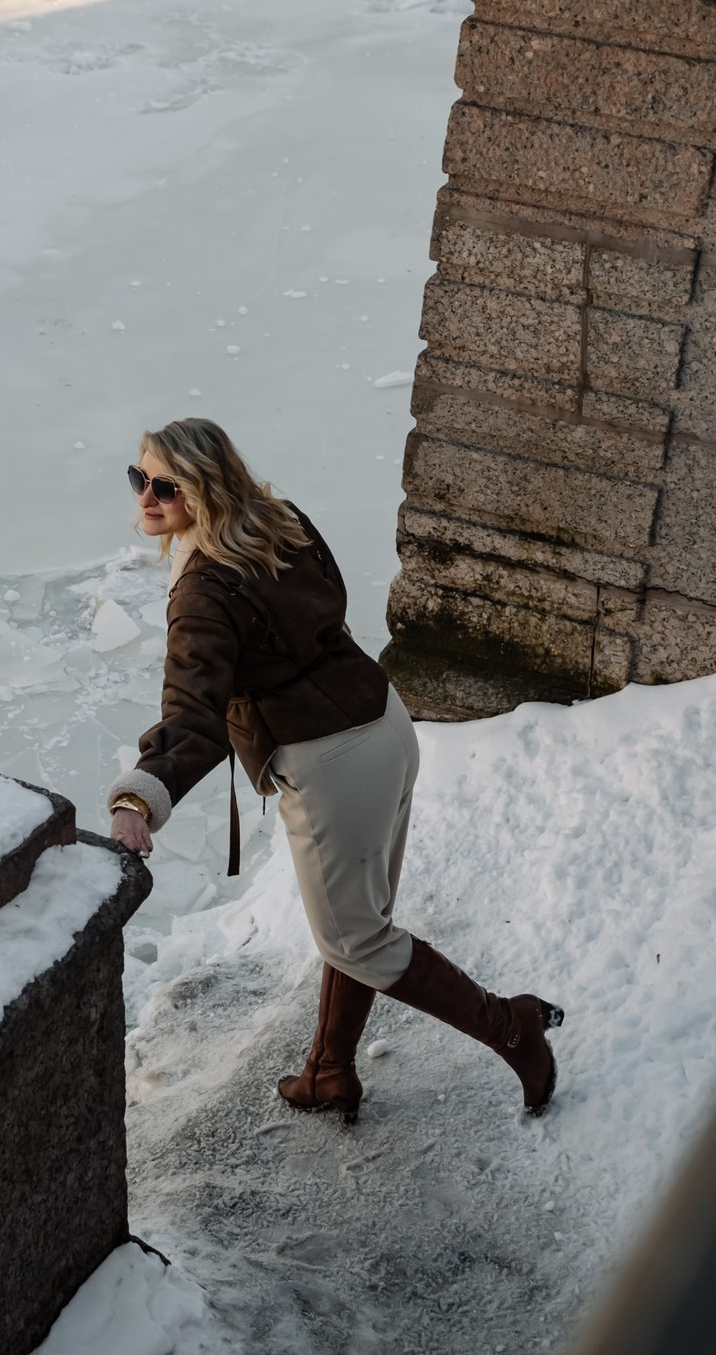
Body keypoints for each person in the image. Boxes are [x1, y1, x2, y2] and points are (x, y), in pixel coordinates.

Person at [107, 418, 563, 1122]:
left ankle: (512, 1026)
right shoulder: (277, 519)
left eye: (166, 486)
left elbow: (191, 708)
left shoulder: (204, 589)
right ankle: (328, 1072)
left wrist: (142, 795)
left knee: (355, 935)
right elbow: (326, 614)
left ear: (206, 487)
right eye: (139, 479)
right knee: (360, 922)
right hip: (383, 722)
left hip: (335, 760)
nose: (146, 499)